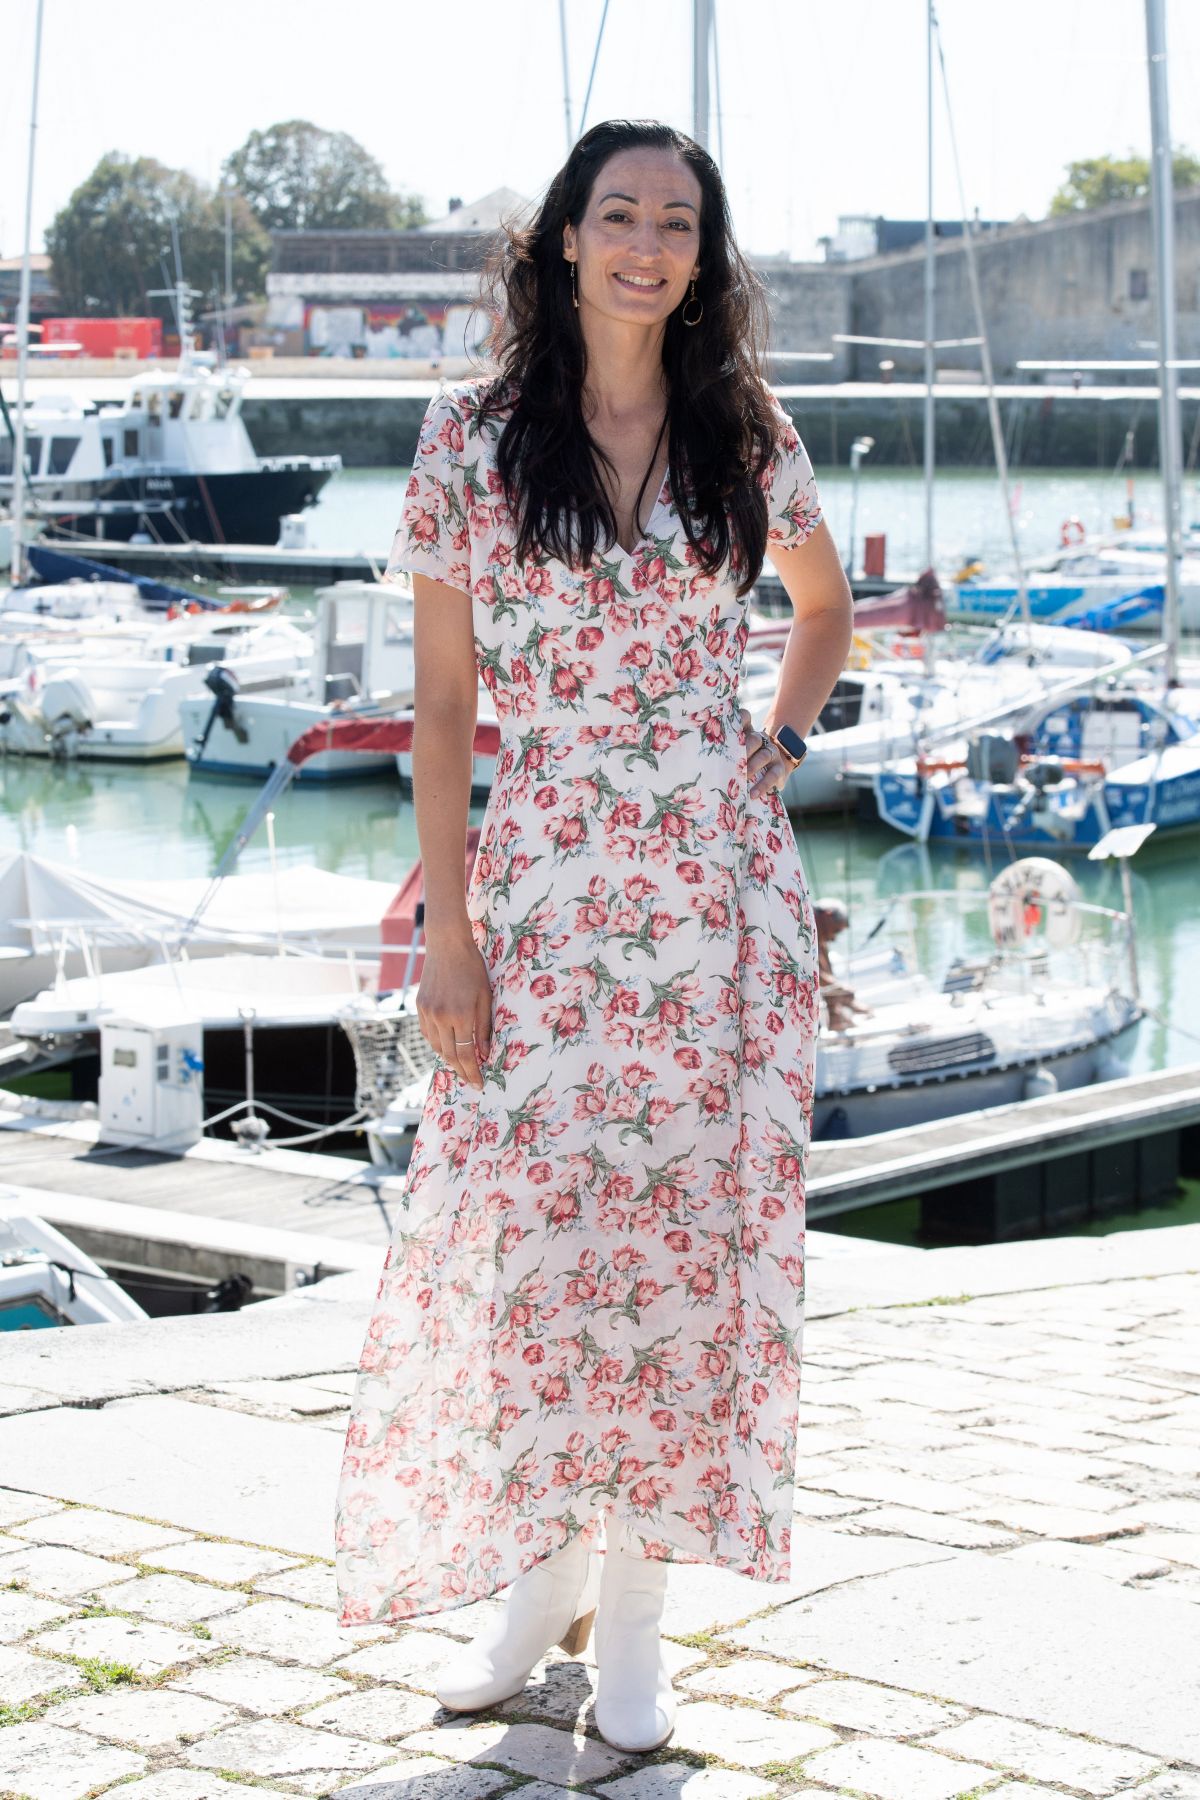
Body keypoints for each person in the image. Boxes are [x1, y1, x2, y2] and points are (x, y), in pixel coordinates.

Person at [334, 117, 853, 1756]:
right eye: (618, 213)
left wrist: (763, 750)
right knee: (533, 1251)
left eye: (678, 222)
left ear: (706, 256)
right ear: (563, 238)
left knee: (685, 1252)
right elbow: (439, 707)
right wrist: (450, 932)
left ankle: (635, 1617)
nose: (648, 242)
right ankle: (533, 1578)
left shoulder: (742, 430)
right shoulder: (472, 436)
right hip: (546, 898)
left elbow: (822, 612)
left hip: (718, 905)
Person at [813, 897, 869, 1032]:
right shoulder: (805, 934)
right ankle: (837, 1017)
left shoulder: (819, 938)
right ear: (827, 916)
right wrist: (840, 988)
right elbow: (812, 972)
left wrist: (837, 988)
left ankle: (836, 1018)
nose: (833, 938)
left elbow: (822, 974)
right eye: (836, 930)